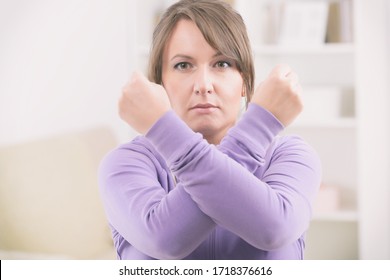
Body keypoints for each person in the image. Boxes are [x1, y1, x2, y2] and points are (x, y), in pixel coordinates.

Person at [98, 0, 321, 260]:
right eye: (183, 65)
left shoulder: (290, 156)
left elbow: (275, 229)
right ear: (159, 84)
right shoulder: (125, 163)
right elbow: (164, 240)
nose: (203, 85)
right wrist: (261, 122)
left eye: (222, 64)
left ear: (245, 83)